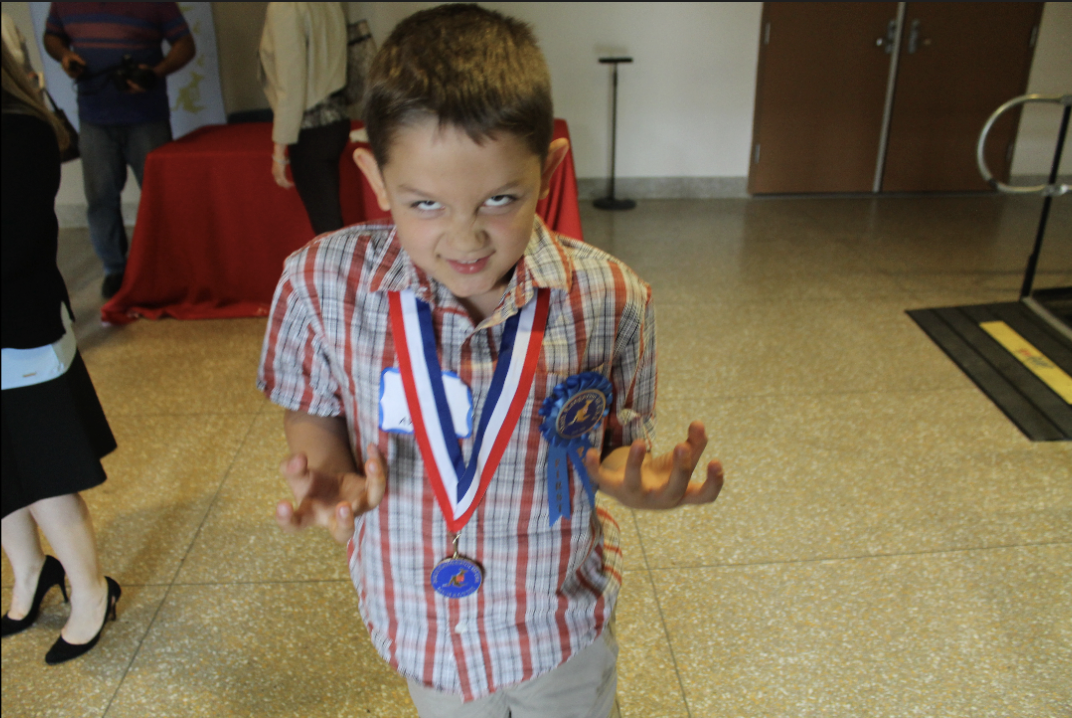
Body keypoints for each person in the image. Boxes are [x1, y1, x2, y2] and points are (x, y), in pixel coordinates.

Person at [257, 5, 724, 717]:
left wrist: (639, 481)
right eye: (425, 204)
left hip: (555, 628)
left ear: (552, 170)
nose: (466, 237)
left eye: (501, 197)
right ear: (376, 180)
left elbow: (617, 446)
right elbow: (313, 410)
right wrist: (329, 471)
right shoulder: (321, 285)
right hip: (419, 627)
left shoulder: (611, 297)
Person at [1, 41, 121, 665]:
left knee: (45, 473)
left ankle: (91, 589)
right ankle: (29, 573)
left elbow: (16, 243)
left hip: (15, 327)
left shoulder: (19, 130)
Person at [43, 3, 195, 299]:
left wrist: (156, 72)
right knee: (100, 200)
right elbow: (52, 36)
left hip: (147, 118)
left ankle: (167, 269)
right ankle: (115, 270)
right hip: (94, 118)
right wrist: (65, 56)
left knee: (162, 198)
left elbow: (185, 44)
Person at [259, 2, 350, 236]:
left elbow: (291, 82)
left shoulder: (285, 7)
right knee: (330, 224)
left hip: (310, 128)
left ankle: (336, 272)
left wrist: (279, 150)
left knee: (327, 229)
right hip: (337, 120)